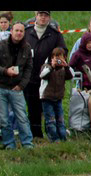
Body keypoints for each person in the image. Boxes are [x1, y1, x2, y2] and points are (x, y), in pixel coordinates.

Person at [0, 21, 34, 149]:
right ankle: (9, 144)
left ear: (24, 33)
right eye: (16, 30)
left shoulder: (27, 48)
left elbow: (29, 68)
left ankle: (27, 144)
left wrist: (22, 85)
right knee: (3, 119)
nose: (19, 33)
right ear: (11, 31)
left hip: (17, 88)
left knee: (22, 117)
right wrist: (5, 71)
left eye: (21, 31)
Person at [24, 11, 68, 139]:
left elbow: (63, 51)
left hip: (49, 79)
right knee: (32, 109)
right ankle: (36, 136)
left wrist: (54, 63)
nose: (43, 17)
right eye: (40, 15)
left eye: (46, 15)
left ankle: (52, 135)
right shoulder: (27, 32)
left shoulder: (55, 34)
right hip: (30, 77)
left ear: (49, 17)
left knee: (49, 109)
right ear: (35, 15)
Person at [40, 48, 74, 141]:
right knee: (51, 120)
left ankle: (63, 137)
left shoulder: (64, 68)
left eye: (60, 57)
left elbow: (71, 76)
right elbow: (42, 75)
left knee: (60, 119)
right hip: (47, 98)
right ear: (52, 58)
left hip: (58, 98)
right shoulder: (47, 66)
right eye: (56, 57)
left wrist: (66, 66)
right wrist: (52, 66)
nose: (58, 59)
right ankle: (54, 139)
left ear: (65, 58)